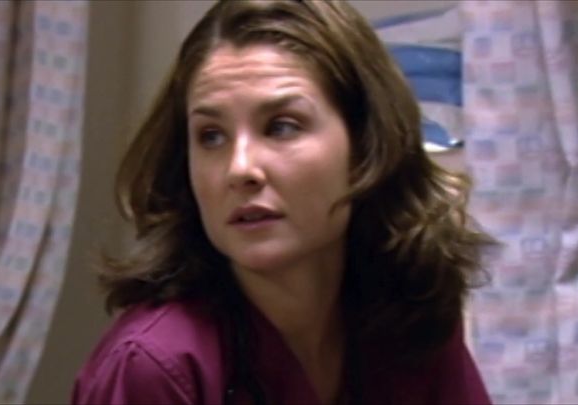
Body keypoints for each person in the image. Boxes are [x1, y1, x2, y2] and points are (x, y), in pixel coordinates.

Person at [72, 1, 495, 404]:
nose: (240, 168)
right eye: (211, 136)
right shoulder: (153, 367)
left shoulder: (412, 325)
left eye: (282, 127)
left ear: (367, 146)